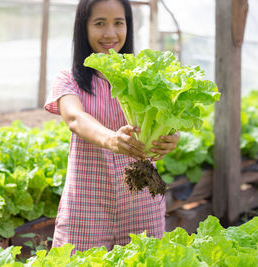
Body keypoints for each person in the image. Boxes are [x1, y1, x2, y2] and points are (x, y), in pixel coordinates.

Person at [44, 0, 180, 252]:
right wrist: (112, 140)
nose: (110, 34)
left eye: (119, 23)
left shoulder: (144, 76)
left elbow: (165, 116)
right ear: (83, 28)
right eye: (99, 23)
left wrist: (170, 135)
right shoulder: (68, 79)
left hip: (142, 199)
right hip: (87, 203)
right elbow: (75, 118)